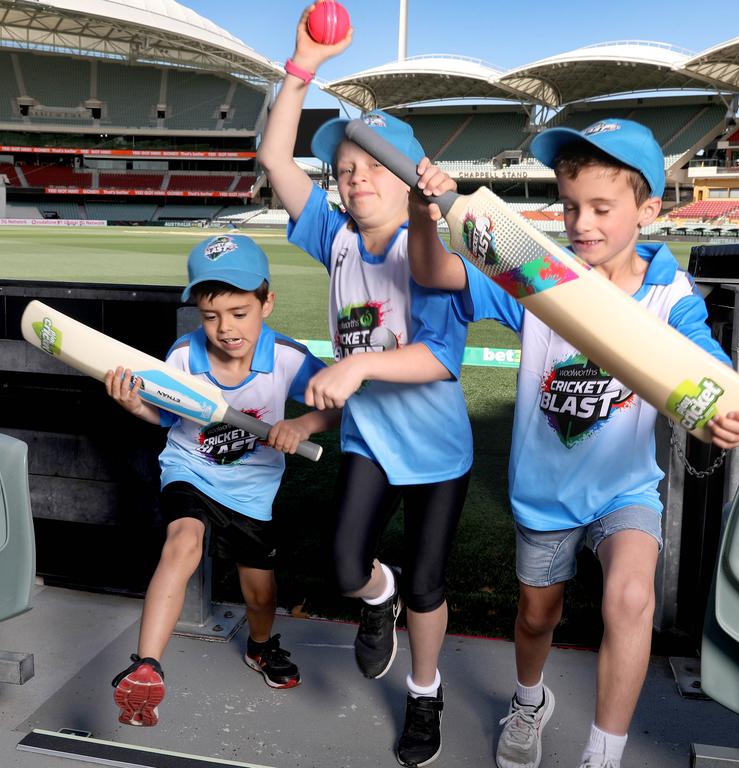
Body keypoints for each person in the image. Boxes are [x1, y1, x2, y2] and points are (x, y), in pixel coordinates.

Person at [407, 119, 739, 768]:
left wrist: (719, 411)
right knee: (537, 618)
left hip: (624, 489)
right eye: (570, 207)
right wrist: (421, 209)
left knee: (630, 597)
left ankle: (603, 754)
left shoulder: (668, 291)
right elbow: (435, 273)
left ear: (648, 209)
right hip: (544, 495)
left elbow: (703, 370)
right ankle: (529, 700)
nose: (582, 223)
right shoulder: (536, 272)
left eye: (602, 207)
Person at [256, 8, 479, 766]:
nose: (353, 182)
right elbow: (277, 160)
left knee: (427, 586)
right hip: (371, 440)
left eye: (370, 169)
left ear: (408, 179)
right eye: (345, 171)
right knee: (350, 569)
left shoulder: (431, 258)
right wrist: (299, 68)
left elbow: (440, 358)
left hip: (439, 448)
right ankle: (375, 603)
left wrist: (353, 366)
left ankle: (424, 694)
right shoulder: (335, 235)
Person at [106, 233, 339, 727]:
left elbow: (335, 405)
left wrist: (300, 425)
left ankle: (259, 646)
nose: (225, 329)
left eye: (239, 313)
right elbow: (168, 418)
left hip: (253, 489)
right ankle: (146, 666)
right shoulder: (185, 357)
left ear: (266, 303)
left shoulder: (287, 358)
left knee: (260, 594)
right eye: (211, 317)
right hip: (190, 468)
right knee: (182, 544)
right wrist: (134, 404)